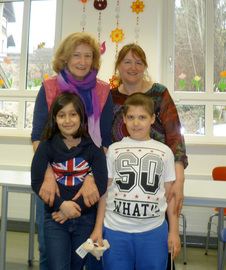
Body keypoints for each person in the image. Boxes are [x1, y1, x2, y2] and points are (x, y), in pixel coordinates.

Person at [31, 32, 113, 270]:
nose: (82, 61)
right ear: (65, 58)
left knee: (86, 250)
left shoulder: (103, 91)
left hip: (87, 181)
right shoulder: (48, 87)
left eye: (88, 56)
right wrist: (48, 171)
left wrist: (90, 176)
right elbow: (38, 135)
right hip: (53, 180)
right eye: (76, 54)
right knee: (49, 248)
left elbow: (105, 139)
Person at [110, 43, 188, 269]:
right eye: (127, 61)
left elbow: (175, 138)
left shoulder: (159, 92)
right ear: (118, 66)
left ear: (144, 66)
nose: (133, 67)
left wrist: (179, 180)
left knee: (156, 253)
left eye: (138, 62)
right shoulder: (110, 95)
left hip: (157, 183)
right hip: (121, 187)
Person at [90, 93, 181, 270]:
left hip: (153, 232)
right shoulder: (114, 150)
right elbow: (104, 192)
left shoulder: (164, 152)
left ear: (153, 119)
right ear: (123, 119)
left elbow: (170, 196)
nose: (136, 123)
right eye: (131, 117)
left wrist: (174, 232)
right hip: (115, 231)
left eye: (142, 117)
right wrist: (98, 228)